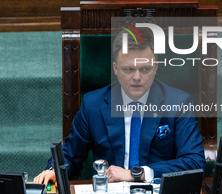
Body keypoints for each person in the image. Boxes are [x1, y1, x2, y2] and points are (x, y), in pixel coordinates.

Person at [34, 28, 206, 185]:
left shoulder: (178, 103)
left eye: (145, 69)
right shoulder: (93, 104)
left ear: (155, 68)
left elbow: (194, 162)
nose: (137, 77)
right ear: (115, 69)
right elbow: (70, 155)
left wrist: (136, 174)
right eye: (128, 69)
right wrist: (54, 170)